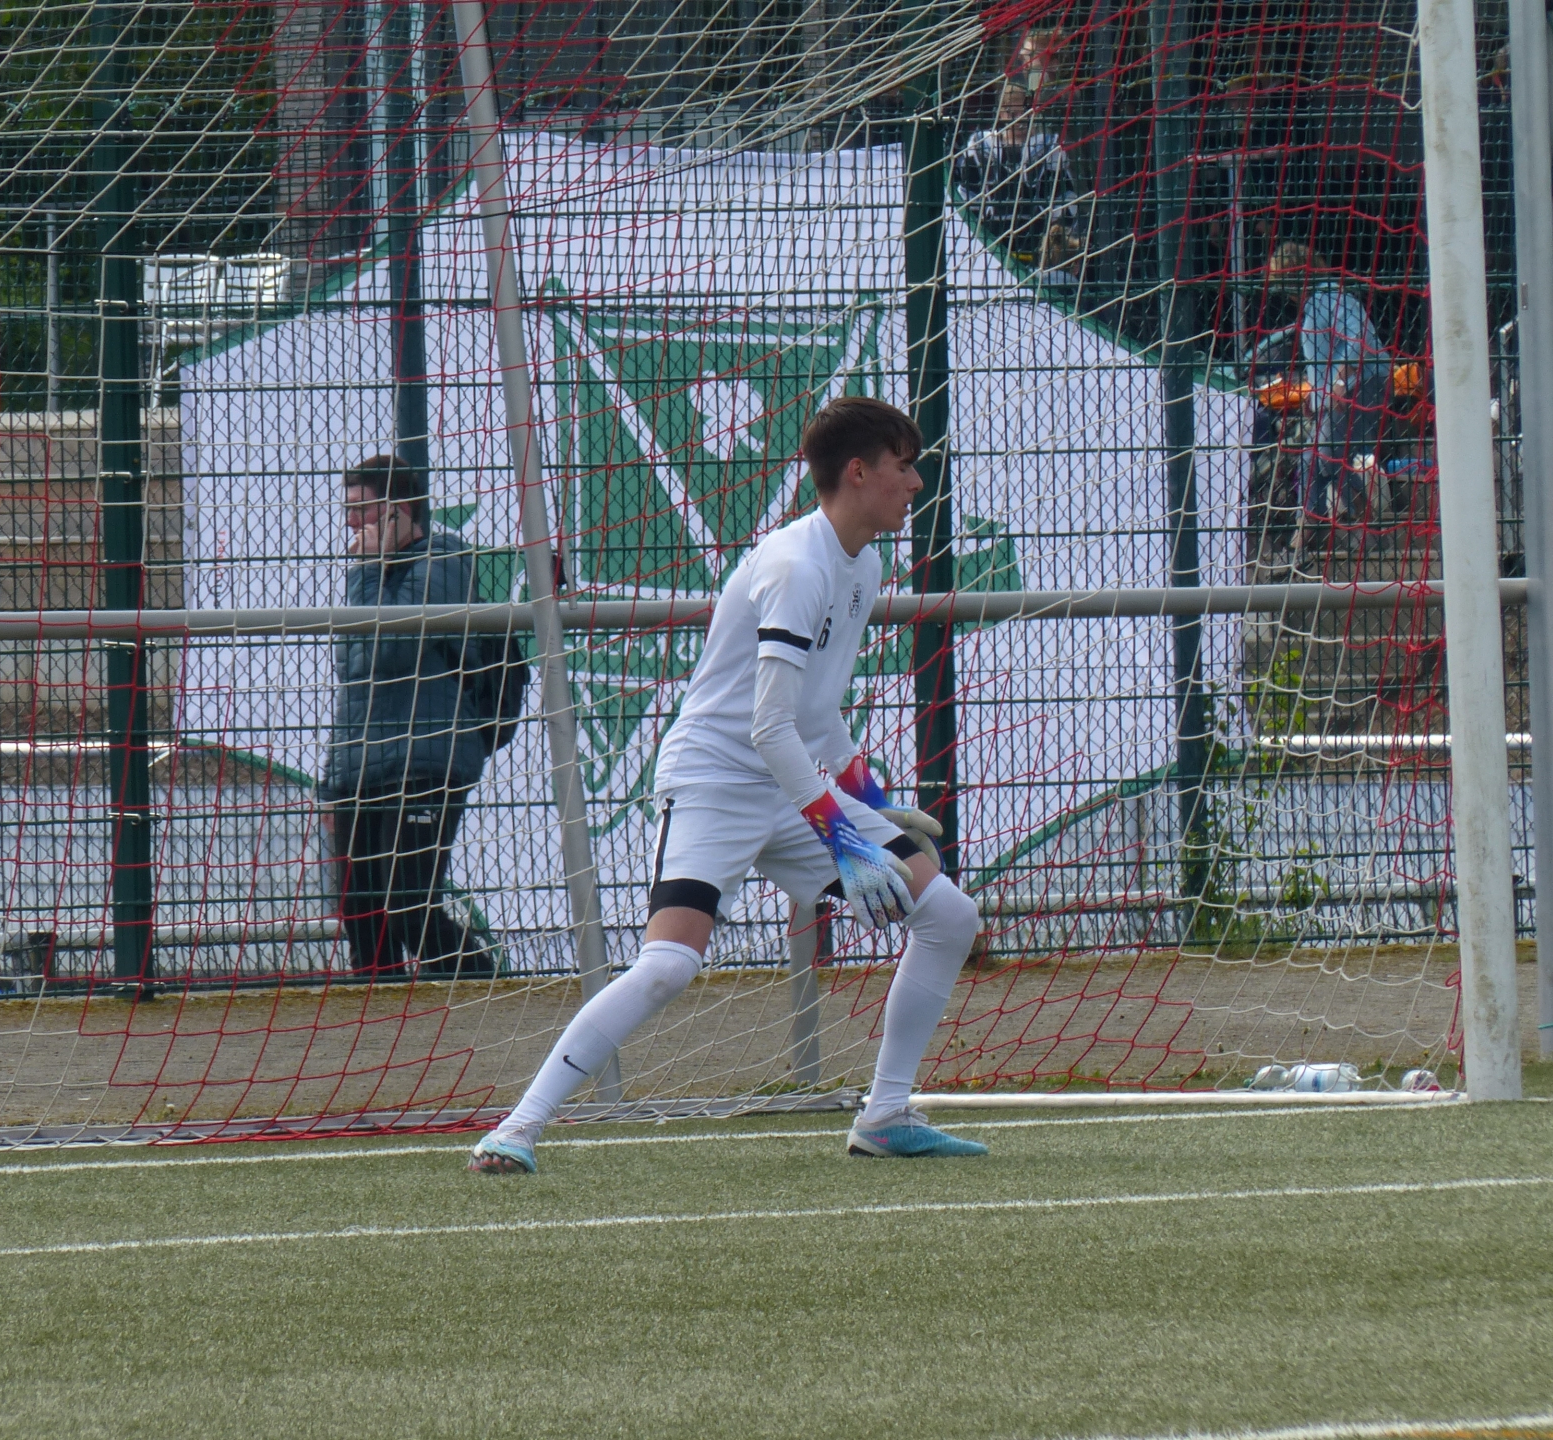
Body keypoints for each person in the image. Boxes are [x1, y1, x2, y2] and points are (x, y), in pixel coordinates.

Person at [468, 397, 986, 1174]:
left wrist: (873, 804)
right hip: (714, 779)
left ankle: (884, 1115)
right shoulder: (796, 566)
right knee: (669, 967)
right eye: (904, 466)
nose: (915, 483)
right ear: (857, 472)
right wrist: (846, 838)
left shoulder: (864, 563)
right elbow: (768, 729)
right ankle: (516, 1128)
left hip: (791, 786)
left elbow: (815, 717)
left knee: (947, 914)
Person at [322, 455, 500, 980]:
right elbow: (351, 665)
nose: (351, 523)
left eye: (361, 510)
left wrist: (369, 569)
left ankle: (485, 987)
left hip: (423, 760)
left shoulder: (443, 561)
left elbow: (389, 649)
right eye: (348, 510)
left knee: (409, 908)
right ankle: (378, 1015)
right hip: (360, 762)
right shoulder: (369, 576)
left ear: (397, 511)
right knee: (361, 915)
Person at [1268, 242, 1391, 524]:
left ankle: (1356, 516)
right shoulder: (1314, 304)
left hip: (1362, 383)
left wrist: (1339, 382)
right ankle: (1313, 526)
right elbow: (1323, 357)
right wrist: (1315, 396)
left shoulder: (1328, 297)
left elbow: (1359, 336)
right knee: (1311, 461)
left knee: (1325, 456)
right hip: (1340, 390)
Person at [953, 78, 1083, 271]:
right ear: (1001, 113)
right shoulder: (980, 147)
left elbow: (1066, 199)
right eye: (1011, 112)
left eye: (1024, 111)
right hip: (988, 250)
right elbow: (965, 197)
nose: (1018, 119)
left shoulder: (1048, 148)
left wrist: (1056, 232)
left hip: (1038, 251)